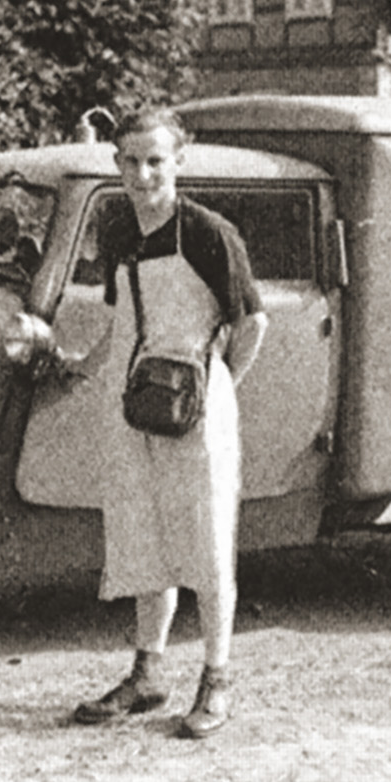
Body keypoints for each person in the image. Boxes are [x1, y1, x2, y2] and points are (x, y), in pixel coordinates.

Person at [70, 107, 268, 738]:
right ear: (116, 163)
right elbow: (119, 319)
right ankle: (148, 674)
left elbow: (252, 323)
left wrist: (218, 387)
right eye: (129, 160)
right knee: (143, 536)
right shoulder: (117, 228)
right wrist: (73, 361)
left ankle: (216, 678)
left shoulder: (210, 233)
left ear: (179, 161)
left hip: (198, 410)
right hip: (134, 406)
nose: (142, 173)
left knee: (207, 544)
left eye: (155, 160)